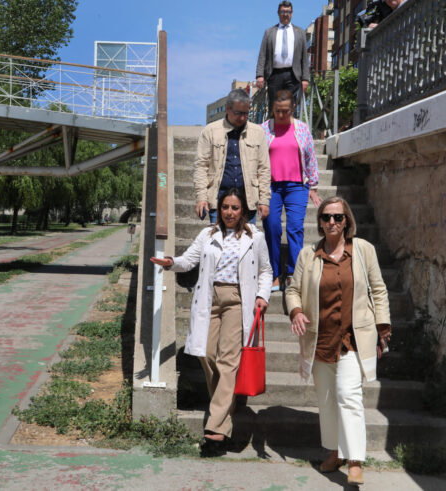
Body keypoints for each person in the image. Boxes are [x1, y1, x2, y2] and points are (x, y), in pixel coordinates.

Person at [152, 188, 272, 443]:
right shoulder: (207, 234)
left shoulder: (255, 237)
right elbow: (189, 260)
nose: (229, 212)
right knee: (206, 353)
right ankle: (229, 401)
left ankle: (217, 425)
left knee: (228, 359)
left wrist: (262, 295)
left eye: (235, 208)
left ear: (244, 211)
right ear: (219, 208)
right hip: (209, 298)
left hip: (237, 301)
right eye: (225, 207)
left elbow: (266, 270)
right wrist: (170, 262)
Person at [285, 197, 391, 486]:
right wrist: (295, 311)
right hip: (320, 339)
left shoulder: (363, 251)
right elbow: (292, 289)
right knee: (327, 400)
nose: (332, 222)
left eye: (338, 217)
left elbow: (379, 290)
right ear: (319, 222)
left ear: (347, 221)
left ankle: (355, 459)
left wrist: (383, 325)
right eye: (327, 217)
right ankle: (334, 452)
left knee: (348, 395)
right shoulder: (309, 255)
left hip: (352, 339)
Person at [261, 90, 321, 292]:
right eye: (278, 111)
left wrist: (313, 186)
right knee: (272, 228)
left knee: (295, 228)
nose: (281, 115)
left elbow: (311, 158)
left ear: (293, 108)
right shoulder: (263, 130)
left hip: (297, 186)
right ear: (272, 109)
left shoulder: (302, 129)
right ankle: (274, 274)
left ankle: (293, 274)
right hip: (270, 187)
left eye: (285, 111)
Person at [194, 89, 271, 225]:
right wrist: (201, 197)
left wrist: (264, 200)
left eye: (246, 113)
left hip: (247, 202)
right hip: (219, 201)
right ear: (227, 109)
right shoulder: (210, 131)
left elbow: (264, 168)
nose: (242, 117)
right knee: (219, 244)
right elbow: (201, 166)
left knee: (246, 244)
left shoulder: (258, 133)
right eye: (238, 113)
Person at [255, 1, 310, 113]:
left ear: (292, 13)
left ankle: (290, 130)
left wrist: (305, 78)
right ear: (278, 13)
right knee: (274, 106)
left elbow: (304, 57)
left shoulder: (300, 33)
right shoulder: (269, 32)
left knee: (290, 105)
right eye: (283, 12)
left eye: (288, 12)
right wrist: (260, 75)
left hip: (293, 75)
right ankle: (273, 129)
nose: (285, 14)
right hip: (274, 74)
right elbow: (262, 55)